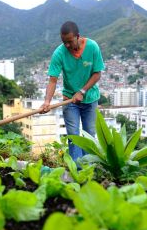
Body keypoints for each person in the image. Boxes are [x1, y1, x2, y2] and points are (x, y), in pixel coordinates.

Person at [41, 21, 105, 163]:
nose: (67, 46)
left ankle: (89, 169)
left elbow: (97, 74)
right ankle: (76, 170)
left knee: (89, 135)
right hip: (70, 100)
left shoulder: (92, 47)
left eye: (70, 41)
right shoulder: (59, 53)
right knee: (73, 136)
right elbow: (53, 80)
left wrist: (82, 91)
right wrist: (47, 102)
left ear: (78, 36)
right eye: (64, 42)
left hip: (90, 99)